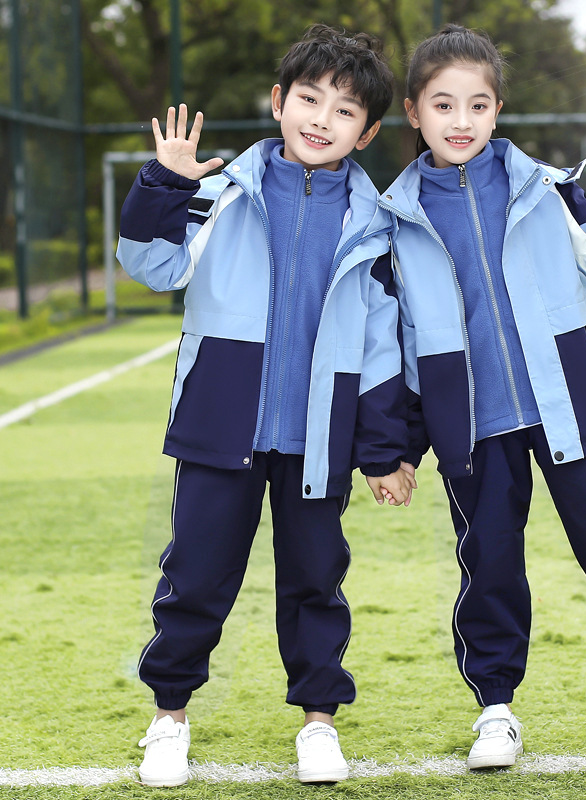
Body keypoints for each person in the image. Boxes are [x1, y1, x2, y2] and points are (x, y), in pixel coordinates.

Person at [380, 24, 586, 770]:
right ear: (413, 112)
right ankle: (496, 712)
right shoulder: (393, 221)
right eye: (443, 105)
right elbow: (397, 347)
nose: (461, 121)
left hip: (572, 412)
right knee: (489, 566)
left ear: (497, 111)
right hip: (473, 428)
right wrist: (397, 449)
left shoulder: (548, 189)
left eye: (478, 105)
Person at [117, 24, 415, 787]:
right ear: (279, 101)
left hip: (318, 440)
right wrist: (164, 181)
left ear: (369, 130)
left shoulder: (377, 223)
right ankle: (170, 717)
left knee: (316, 579)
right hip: (221, 427)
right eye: (308, 99)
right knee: (196, 577)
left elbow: (384, 347)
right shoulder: (217, 193)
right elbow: (150, 267)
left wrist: (383, 450)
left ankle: (319, 724)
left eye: (344, 111)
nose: (321, 119)